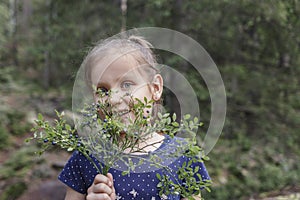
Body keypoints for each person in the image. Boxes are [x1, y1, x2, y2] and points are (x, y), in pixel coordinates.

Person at [58, 35, 210, 200]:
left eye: (127, 85)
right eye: (103, 90)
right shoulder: (86, 155)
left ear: (155, 88)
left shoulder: (182, 155)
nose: (113, 99)